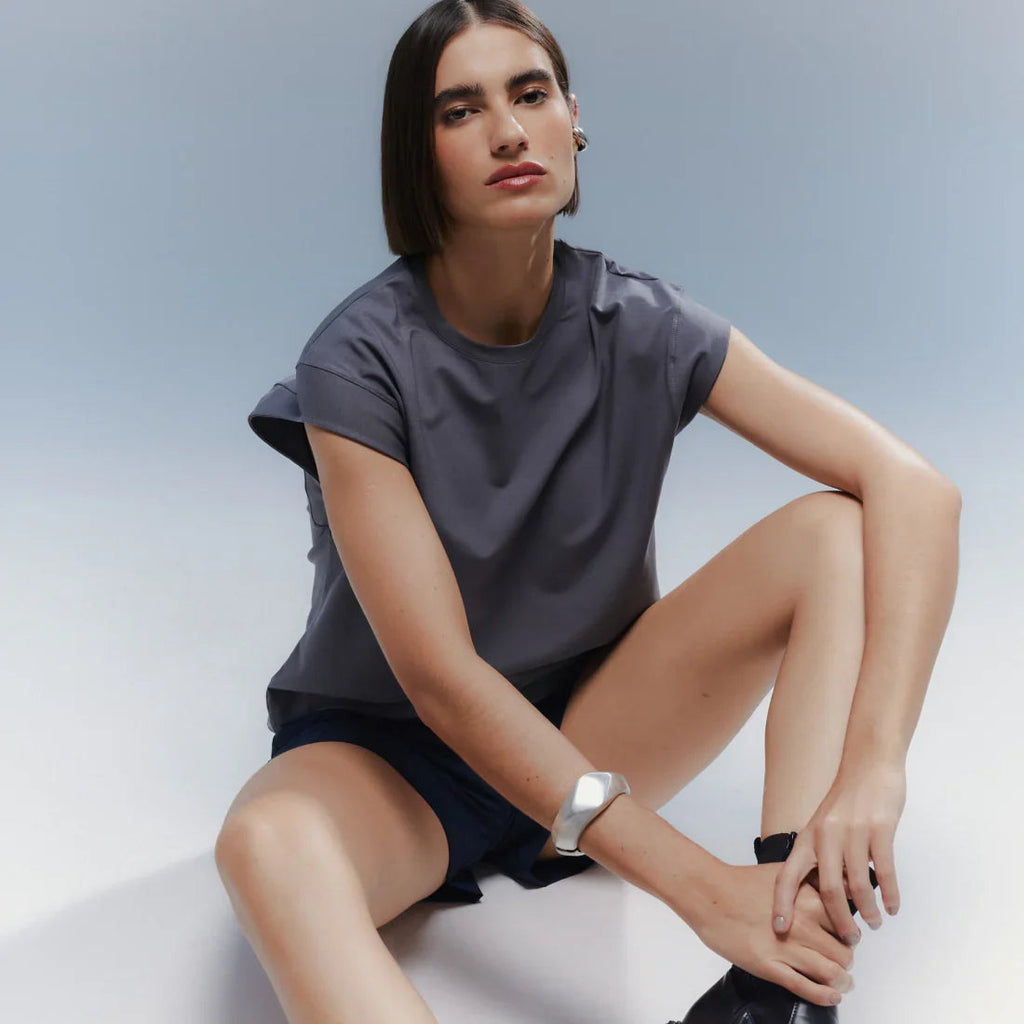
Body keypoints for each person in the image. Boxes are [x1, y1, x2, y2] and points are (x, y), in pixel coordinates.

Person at [214, 2, 962, 1022]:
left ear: (574, 120)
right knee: (263, 847)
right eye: (459, 110)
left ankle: (779, 985)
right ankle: (746, 927)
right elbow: (443, 682)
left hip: (595, 724)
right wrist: (701, 891)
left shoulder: (643, 323)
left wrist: (874, 767)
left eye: (530, 94)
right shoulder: (355, 362)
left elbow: (915, 489)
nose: (508, 131)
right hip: (394, 766)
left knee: (834, 534)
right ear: (416, 156)